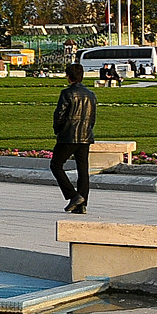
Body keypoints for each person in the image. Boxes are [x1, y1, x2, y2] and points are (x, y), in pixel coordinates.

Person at [51, 62, 98, 213]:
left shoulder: (67, 93)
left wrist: (58, 130)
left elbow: (59, 115)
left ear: (68, 77)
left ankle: (73, 195)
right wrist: (88, 130)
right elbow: (92, 117)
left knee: (56, 165)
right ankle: (81, 204)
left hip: (68, 136)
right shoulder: (90, 94)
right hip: (85, 136)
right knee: (82, 169)